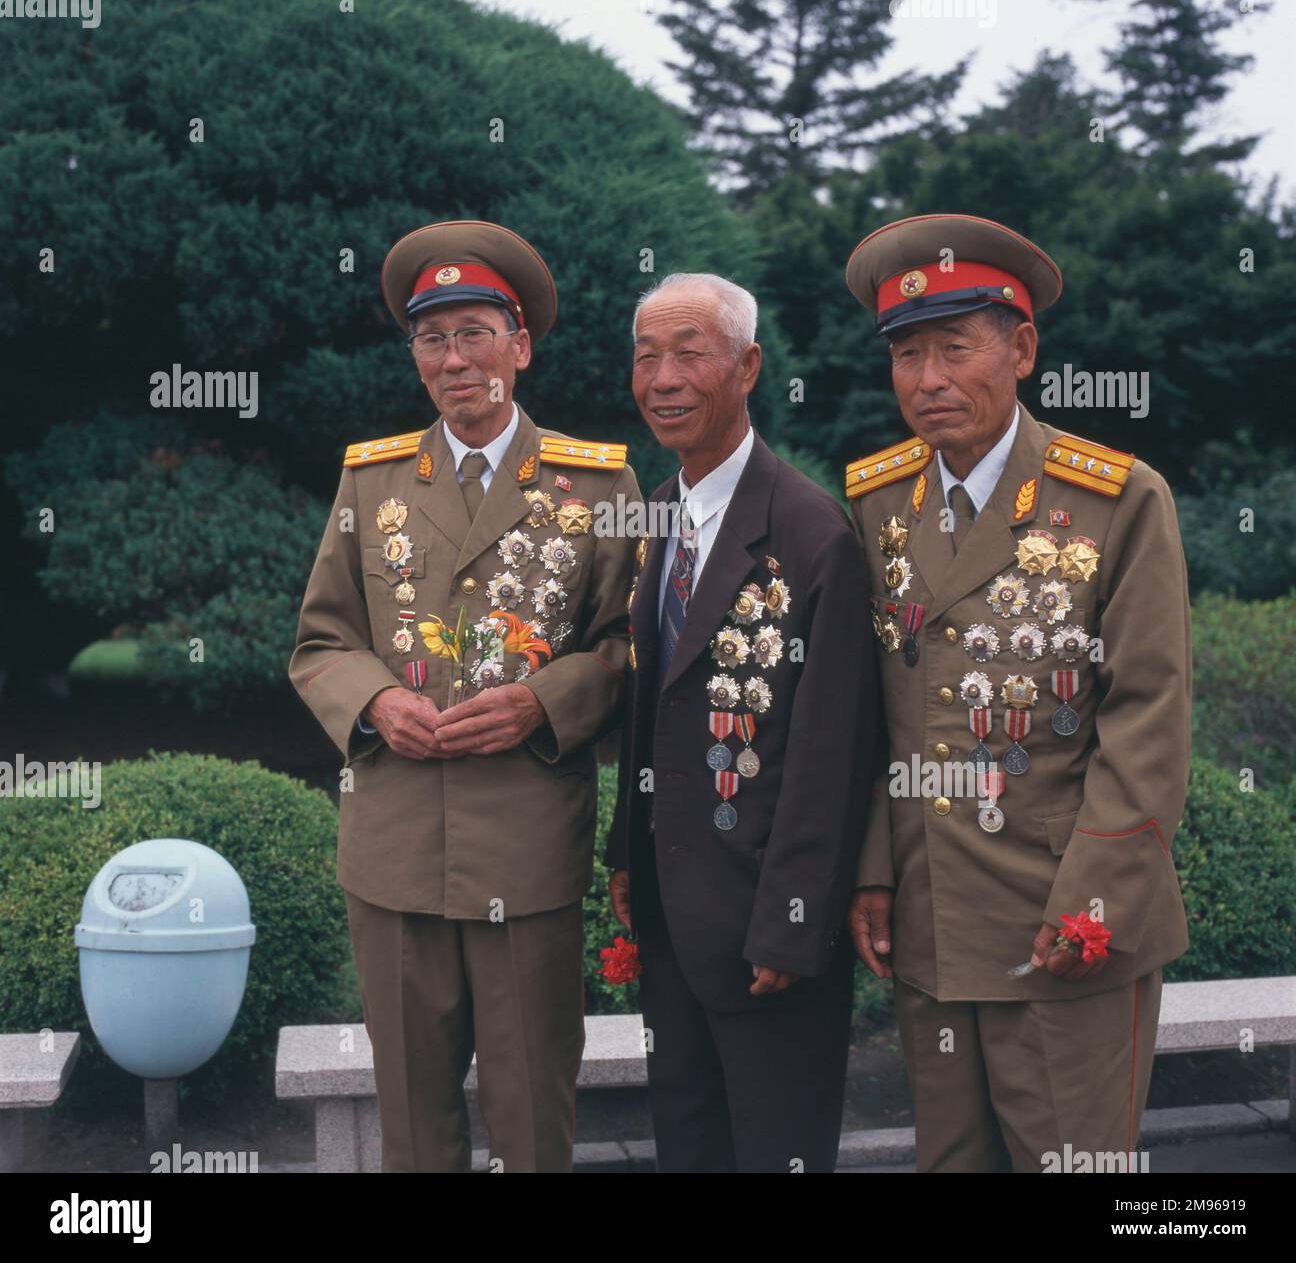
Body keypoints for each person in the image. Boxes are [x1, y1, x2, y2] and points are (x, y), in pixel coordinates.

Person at [842, 213, 1191, 1172]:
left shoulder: (1118, 500)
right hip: (933, 914)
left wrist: (1094, 902)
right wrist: (873, 868)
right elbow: (873, 713)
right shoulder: (878, 504)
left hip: (1062, 917)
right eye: (908, 354)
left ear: (1023, 349)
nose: (930, 380)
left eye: (956, 349)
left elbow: (1147, 720)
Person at [290, 220, 640, 1172]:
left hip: (523, 849)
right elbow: (322, 639)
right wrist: (371, 703)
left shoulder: (597, 482)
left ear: (519, 347)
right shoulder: (373, 480)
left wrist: (545, 700)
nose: (455, 359)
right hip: (395, 848)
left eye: (476, 332)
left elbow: (630, 645)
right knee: (412, 1119)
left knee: (532, 1116)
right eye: (432, 339)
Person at [605, 272, 879, 1173]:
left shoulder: (810, 534)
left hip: (767, 924)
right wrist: (622, 855)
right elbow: (649, 708)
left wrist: (793, 923)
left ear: (749, 366)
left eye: (690, 353)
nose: (663, 379)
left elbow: (831, 754)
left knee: (775, 1150)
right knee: (688, 1146)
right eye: (647, 358)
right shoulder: (658, 514)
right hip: (672, 912)